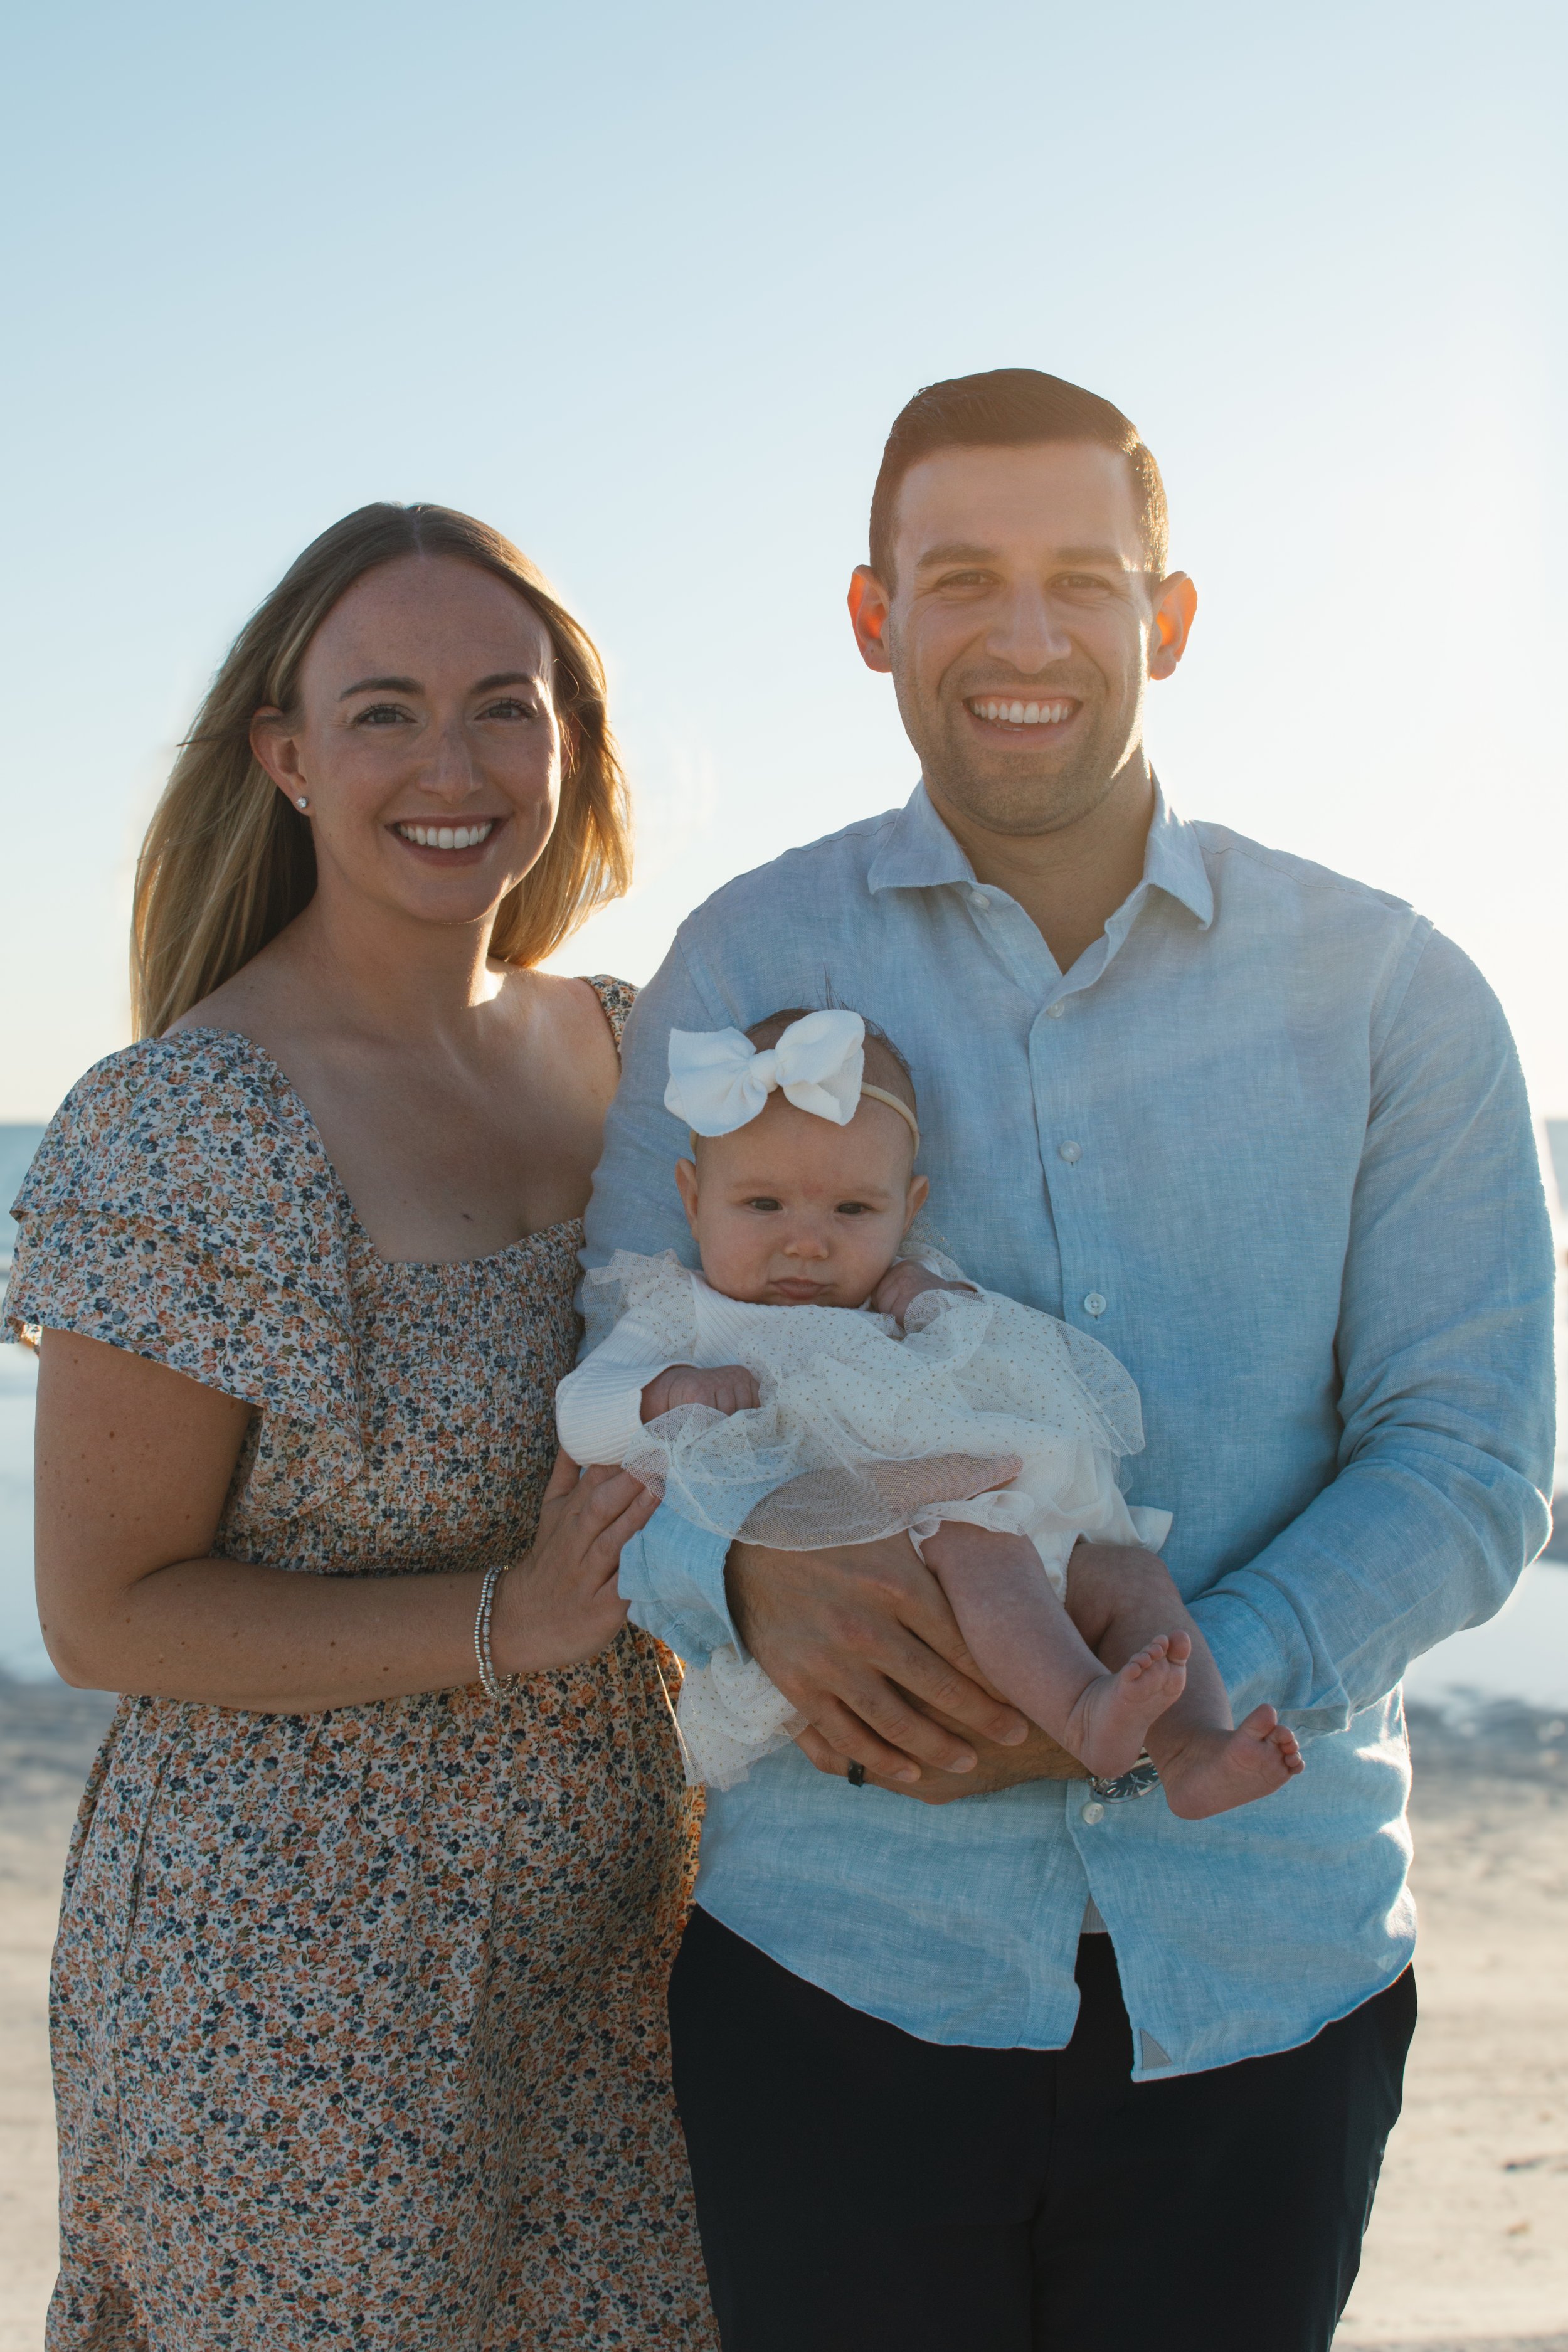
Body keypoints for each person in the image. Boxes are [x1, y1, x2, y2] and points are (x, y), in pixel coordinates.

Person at [582, 370, 1557, 2351]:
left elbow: (1468, 1459)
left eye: (1075, 581)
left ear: (1164, 617)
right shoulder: (735, 961)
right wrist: (744, 1575)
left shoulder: (1390, 986)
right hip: (838, 1961)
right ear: (873, 613)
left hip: (1260, 1974)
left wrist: (1197, 1674)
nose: (1020, 637)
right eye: (958, 578)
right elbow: (622, 1392)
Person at [4, 504, 716, 2350]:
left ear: (573, 741)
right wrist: (512, 1618)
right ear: (288, 754)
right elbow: (108, 1608)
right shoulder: (193, 1121)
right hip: (293, 1987)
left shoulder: (642, 1054)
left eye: (505, 706)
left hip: (637, 1945)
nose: (452, 764)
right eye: (383, 710)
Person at [559, 1004, 1303, 1813]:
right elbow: (579, 1415)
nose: (808, 1242)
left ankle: (1195, 1749)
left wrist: (945, 1303)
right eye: (763, 1206)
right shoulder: (684, 1317)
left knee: (1131, 1574)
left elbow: (1005, 1364)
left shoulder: (902, 1293)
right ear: (692, 1196)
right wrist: (663, 1393)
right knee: (979, 1542)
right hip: (872, 1559)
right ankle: (1086, 1715)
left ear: (908, 1209)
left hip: (995, 1515)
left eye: (853, 1211)